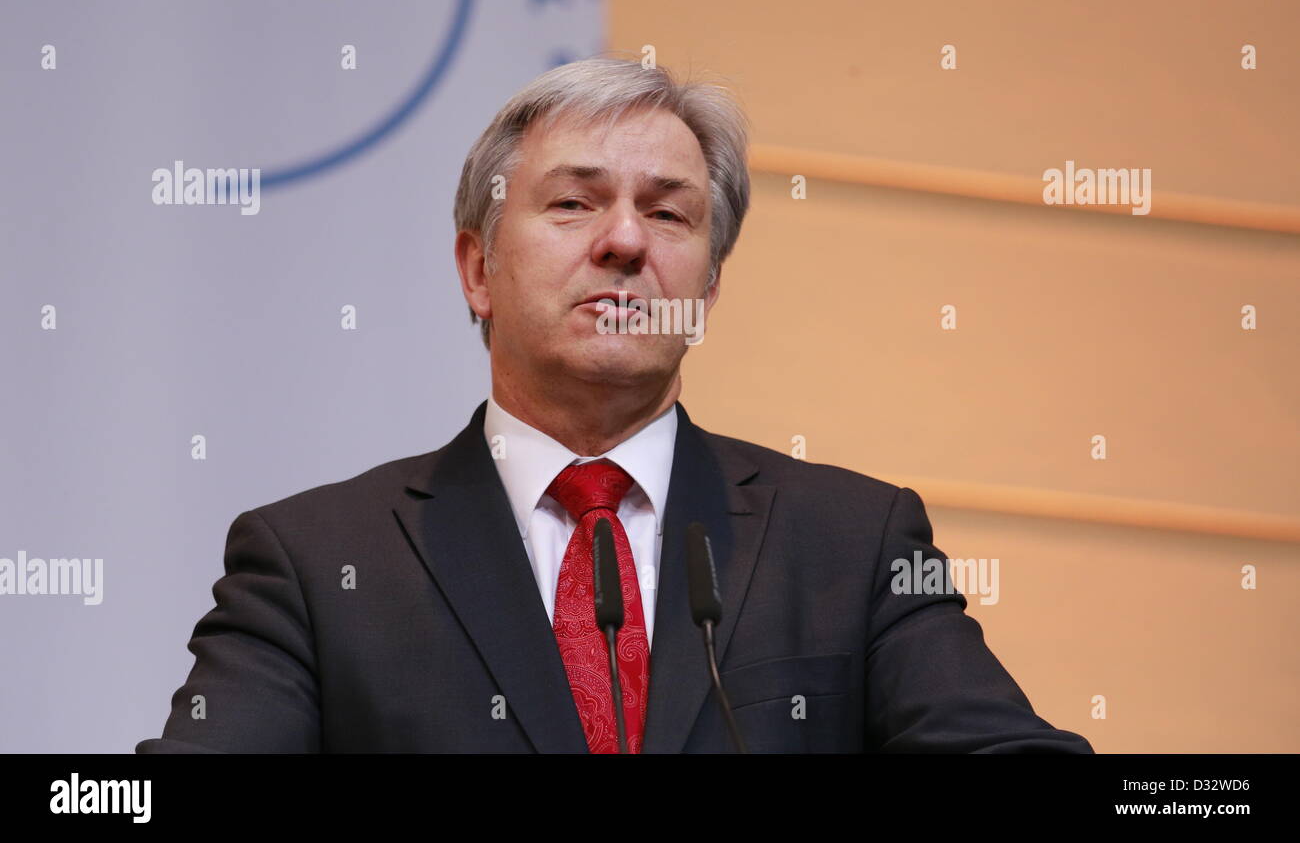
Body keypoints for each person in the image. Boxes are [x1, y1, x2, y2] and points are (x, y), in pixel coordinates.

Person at [137, 57, 1092, 753]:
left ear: (706, 292)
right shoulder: (318, 562)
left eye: (670, 213)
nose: (627, 241)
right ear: (479, 270)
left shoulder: (853, 541)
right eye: (574, 204)